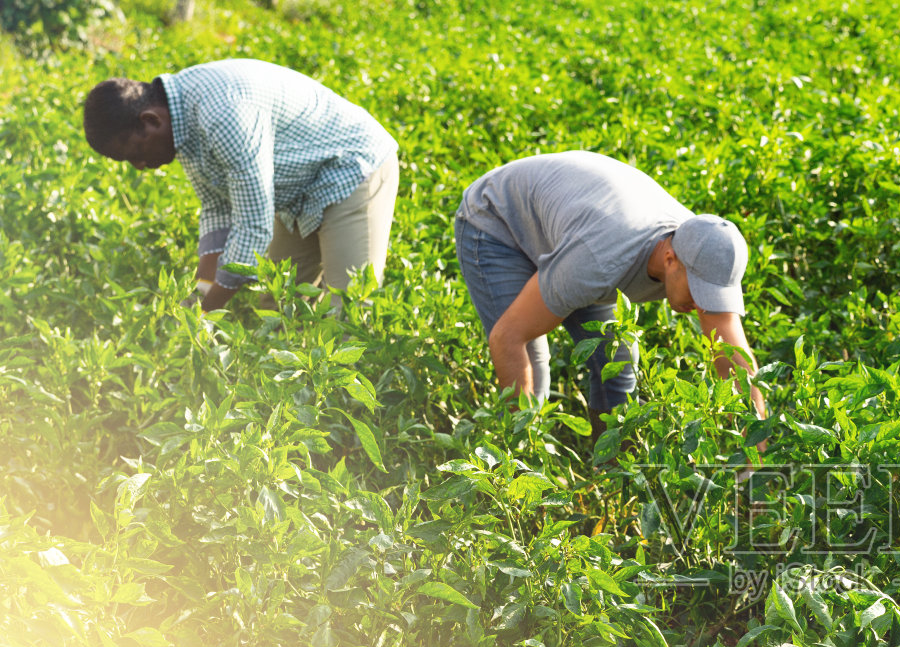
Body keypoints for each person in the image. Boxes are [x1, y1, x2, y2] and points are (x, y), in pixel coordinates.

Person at [452, 150, 767, 431]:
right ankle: (517, 481)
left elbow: (736, 365)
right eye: (700, 291)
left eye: (714, 294)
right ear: (670, 259)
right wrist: (520, 445)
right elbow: (507, 338)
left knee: (618, 364)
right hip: (497, 222)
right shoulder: (599, 261)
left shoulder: (705, 250)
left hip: (578, 232)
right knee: (533, 375)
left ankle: (613, 480)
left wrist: (758, 458)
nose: (703, 305)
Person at [82, 59, 400, 312]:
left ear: (151, 122)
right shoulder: (180, 122)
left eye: (135, 154)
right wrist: (199, 294)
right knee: (279, 305)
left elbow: (253, 227)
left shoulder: (221, 115)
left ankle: (348, 396)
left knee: (347, 310)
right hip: (296, 188)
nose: (140, 166)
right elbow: (219, 211)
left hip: (351, 169)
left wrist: (203, 313)